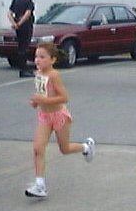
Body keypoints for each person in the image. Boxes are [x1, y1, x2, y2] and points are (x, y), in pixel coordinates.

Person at [25, 42, 96, 198]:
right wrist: (36, 101)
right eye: (36, 56)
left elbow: (64, 97)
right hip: (45, 117)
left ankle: (86, 147)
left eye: (42, 57)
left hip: (59, 116)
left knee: (65, 149)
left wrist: (43, 100)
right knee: (38, 149)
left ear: (52, 60)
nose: (37, 60)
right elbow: (41, 94)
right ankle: (40, 185)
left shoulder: (54, 75)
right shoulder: (38, 74)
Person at [8, 0, 36, 77]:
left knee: (21, 46)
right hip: (26, 25)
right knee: (25, 47)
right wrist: (20, 23)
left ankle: (23, 68)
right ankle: (24, 70)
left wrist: (14, 24)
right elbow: (28, 13)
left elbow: (9, 13)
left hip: (18, 27)